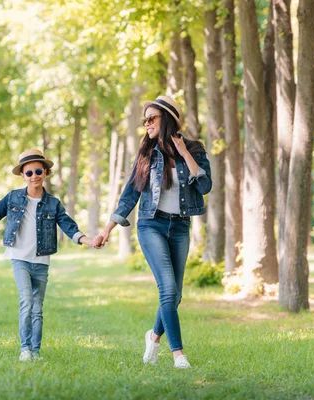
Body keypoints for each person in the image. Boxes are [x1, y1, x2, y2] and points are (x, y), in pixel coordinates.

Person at [94, 96, 211, 369]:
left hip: (180, 226)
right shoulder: (146, 154)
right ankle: (178, 354)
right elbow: (130, 194)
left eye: (151, 118)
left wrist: (184, 153)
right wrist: (108, 229)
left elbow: (205, 186)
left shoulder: (194, 149)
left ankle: (154, 336)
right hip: (151, 225)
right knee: (168, 289)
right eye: (144, 120)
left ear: (167, 119)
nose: (146, 124)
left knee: (176, 294)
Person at [0, 149, 95, 361]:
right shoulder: (13, 197)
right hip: (19, 258)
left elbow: (69, 227)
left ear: (46, 172)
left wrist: (88, 241)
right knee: (27, 301)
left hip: (41, 261)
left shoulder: (53, 204)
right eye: (29, 172)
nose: (34, 175)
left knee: (38, 308)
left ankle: (35, 351)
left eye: (38, 171)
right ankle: (25, 349)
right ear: (23, 176)